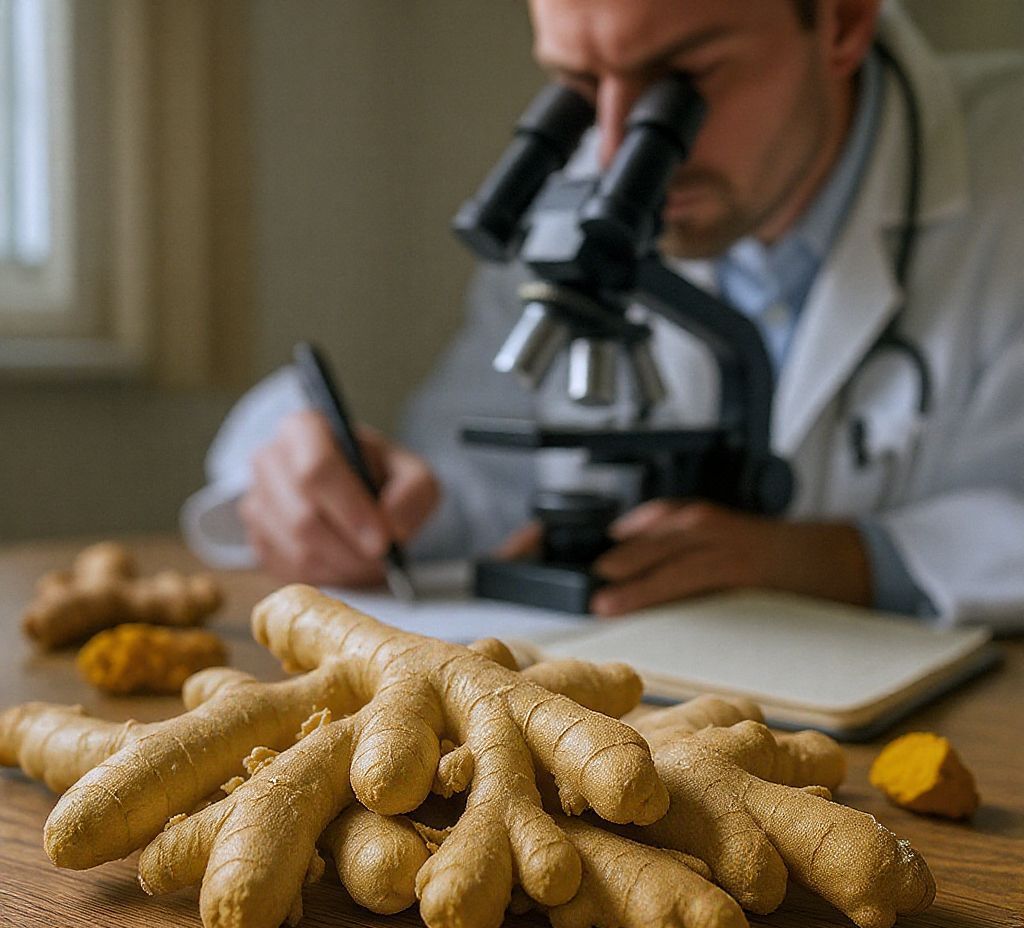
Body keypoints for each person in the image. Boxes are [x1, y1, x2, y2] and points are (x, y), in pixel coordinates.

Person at [183, 0, 1024, 630]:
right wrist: (331, 486)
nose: (616, 150)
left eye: (683, 83)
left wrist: (844, 559)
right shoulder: (579, 187)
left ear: (841, 20)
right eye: (577, 87)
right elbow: (473, 476)